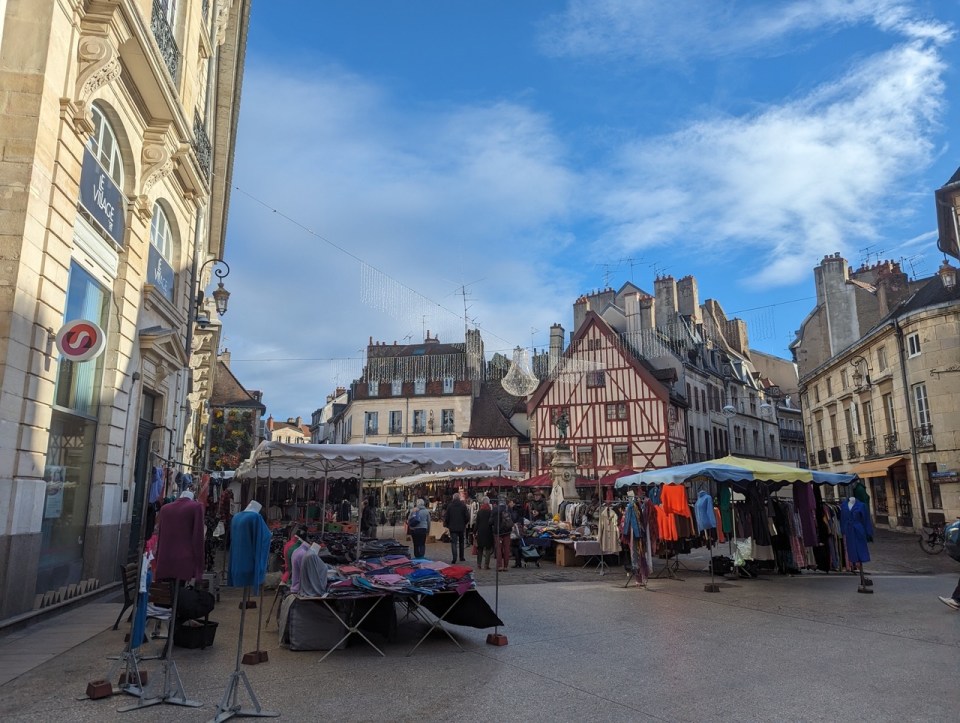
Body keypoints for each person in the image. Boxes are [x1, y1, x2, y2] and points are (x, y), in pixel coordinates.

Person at [443, 492, 470, 564]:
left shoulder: (450, 506)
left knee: (454, 543)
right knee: (461, 542)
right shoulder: (463, 505)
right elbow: (467, 516)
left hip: (453, 527)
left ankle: (454, 557)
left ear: (453, 498)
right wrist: (464, 523)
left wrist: (447, 524)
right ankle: (461, 557)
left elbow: (447, 517)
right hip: (461, 526)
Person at [493, 500, 514, 572]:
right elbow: (513, 519)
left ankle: (499, 566)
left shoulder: (495, 509)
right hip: (507, 531)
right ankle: (506, 566)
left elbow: (490, 521)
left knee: (499, 549)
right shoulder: (508, 509)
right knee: (507, 549)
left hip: (498, 532)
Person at [475, 496, 494, 569]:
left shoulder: (480, 511)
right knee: (488, 549)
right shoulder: (490, 511)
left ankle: (479, 564)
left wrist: (474, 531)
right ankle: (486, 565)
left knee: (480, 548)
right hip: (488, 531)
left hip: (481, 531)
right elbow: (492, 522)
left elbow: (477, 523)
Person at [507, 498, 525, 568]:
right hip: (520, 527)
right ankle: (518, 562)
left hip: (515, 528)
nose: (509, 504)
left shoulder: (514, 510)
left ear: (513, 503)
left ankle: (518, 562)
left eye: (510, 502)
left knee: (514, 545)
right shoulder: (521, 508)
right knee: (517, 545)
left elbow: (514, 518)